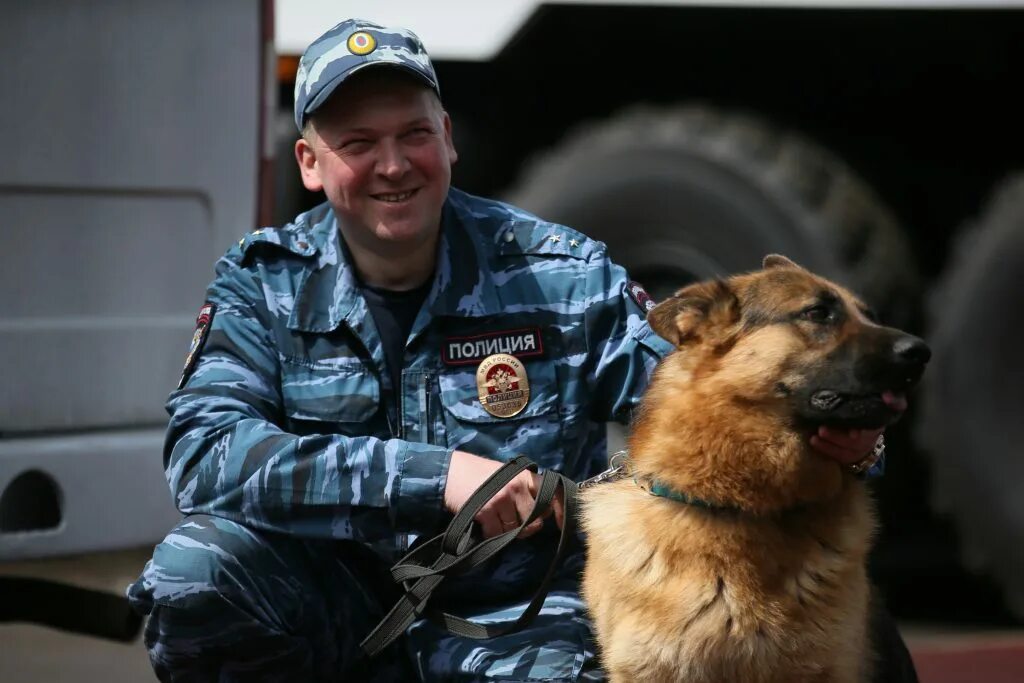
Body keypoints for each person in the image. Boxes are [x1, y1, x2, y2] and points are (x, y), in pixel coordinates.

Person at [128, 19, 913, 682]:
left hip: (513, 612)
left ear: (449, 142)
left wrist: (847, 440)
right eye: (358, 142)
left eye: (413, 135)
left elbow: (716, 401)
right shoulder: (263, 281)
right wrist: (439, 477)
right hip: (325, 603)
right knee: (194, 577)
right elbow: (205, 454)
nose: (394, 165)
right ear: (310, 162)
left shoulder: (560, 276)